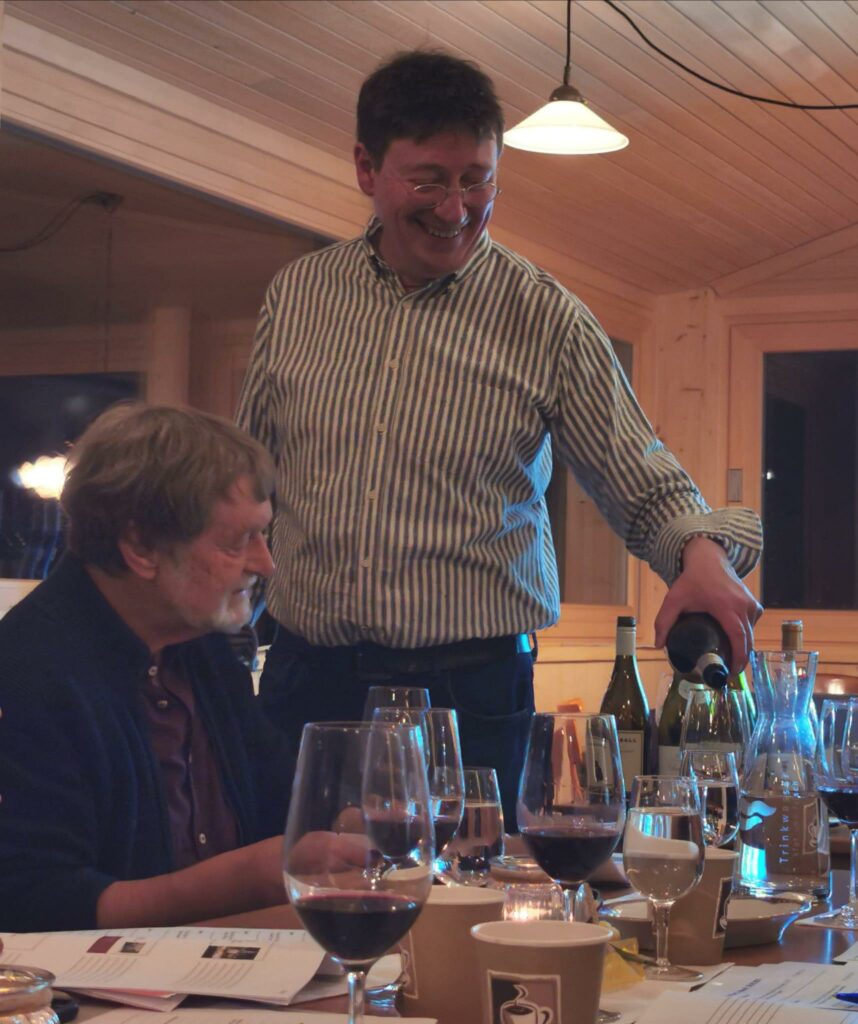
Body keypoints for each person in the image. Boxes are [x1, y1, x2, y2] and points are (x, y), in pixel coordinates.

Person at [237, 50, 763, 825]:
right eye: (428, 181)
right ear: (366, 168)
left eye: (477, 180)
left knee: (464, 896)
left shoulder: (546, 317)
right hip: (305, 679)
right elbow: (247, 484)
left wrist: (702, 556)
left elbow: (643, 480)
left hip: (471, 693)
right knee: (292, 885)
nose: (456, 209)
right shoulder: (298, 295)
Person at [0, 403, 296, 932]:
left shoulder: (202, 647)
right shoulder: (28, 670)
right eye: (237, 541)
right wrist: (243, 879)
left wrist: (364, 821)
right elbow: (32, 900)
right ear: (141, 547)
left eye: (262, 534)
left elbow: (280, 794)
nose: (264, 563)